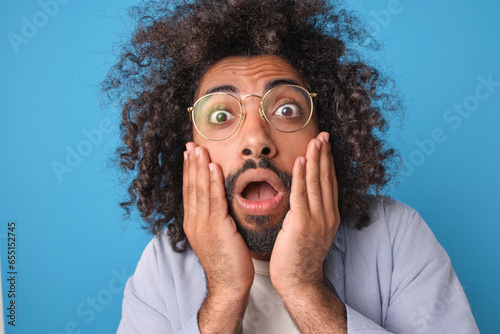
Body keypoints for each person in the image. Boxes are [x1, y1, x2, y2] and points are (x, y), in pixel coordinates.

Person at [104, 0, 479, 332]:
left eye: (286, 109)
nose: (256, 140)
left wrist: (305, 289)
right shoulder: (163, 266)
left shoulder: (397, 236)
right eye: (221, 114)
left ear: (327, 132)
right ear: (187, 149)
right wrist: (223, 295)